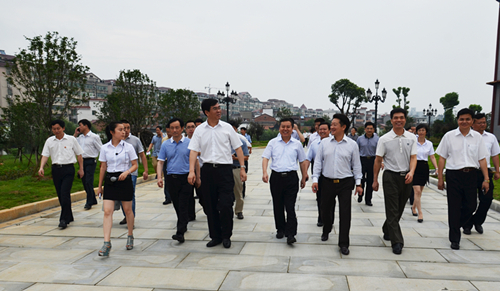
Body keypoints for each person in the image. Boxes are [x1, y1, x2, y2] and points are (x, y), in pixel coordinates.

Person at [188, 99, 247, 249]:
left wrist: (242, 167)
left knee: (226, 204)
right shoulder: (200, 130)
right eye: (215, 108)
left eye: (219, 108)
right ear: (207, 112)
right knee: (210, 205)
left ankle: (227, 235)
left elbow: (238, 149)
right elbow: (194, 151)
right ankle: (215, 236)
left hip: (225, 171)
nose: (219, 110)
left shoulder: (227, 128)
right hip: (208, 171)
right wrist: (191, 172)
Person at [436, 108, 490, 250]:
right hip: (454, 175)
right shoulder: (449, 136)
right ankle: (455, 239)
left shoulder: (477, 138)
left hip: (472, 175)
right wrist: (440, 177)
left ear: (472, 121)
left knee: (471, 205)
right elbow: (442, 157)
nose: (464, 122)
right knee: (454, 207)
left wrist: (486, 178)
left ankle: (457, 224)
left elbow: (482, 159)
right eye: (461, 119)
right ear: (457, 120)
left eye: (467, 119)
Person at [312, 114, 362, 255]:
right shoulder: (324, 143)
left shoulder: (352, 145)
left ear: (343, 127)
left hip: (345, 182)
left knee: (345, 213)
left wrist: (358, 184)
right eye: (331, 124)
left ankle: (344, 243)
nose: (331, 127)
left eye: (334, 125)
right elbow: (317, 163)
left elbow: (357, 166)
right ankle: (326, 229)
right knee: (325, 209)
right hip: (327, 181)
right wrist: (315, 179)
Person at [373, 108, 417, 255]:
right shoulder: (384, 139)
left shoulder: (411, 137)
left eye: (402, 117)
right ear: (391, 120)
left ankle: (387, 228)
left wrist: (411, 172)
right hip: (390, 176)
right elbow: (378, 160)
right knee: (392, 208)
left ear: (405, 119)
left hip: (406, 177)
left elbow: (413, 157)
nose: (399, 120)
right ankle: (397, 241)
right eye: (396, 118)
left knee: (398, 208)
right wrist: (375, 180)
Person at [262, 118, 308, 245]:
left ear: (292, 128)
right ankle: (280, 229)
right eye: (283, 126)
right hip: (276, 178)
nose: (285, 129)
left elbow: (302, 161)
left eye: (288, 127)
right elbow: (265, 158)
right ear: (279, 128)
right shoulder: (273, 142)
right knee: (278, 205)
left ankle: (291, 233)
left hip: (291, 178)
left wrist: (304, 176)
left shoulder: (297, 144)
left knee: (290, 206)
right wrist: (265, 172)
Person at [97, 121, 138, 256]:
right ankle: (106, 243)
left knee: (128, 210)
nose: (124, 132)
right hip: (110, 181)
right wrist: (100, 186)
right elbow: (103, 167)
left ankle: (130, 235)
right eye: (120, 129)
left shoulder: (128, 147)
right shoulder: (105, 148)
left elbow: (134, 165)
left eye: (124, 129)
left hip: (124, 180)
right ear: (112, 132)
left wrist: (127, 172)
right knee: (107, 211)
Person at [157, 118, 198, 243]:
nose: (174, 130)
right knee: (176, 204)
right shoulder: (165, 144)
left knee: (183, 203)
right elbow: (160, 161)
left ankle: (180, 232)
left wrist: (197, 176)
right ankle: (183, 224)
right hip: (171, 178)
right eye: (172, 128)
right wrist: (159, 177)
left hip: (186, 178)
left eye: (177, 128)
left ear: (182, 129)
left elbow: (195, 161)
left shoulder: (190, 143)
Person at [39, 120, 84, 229]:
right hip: (56, 170)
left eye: (58, 128)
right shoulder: (50, 141)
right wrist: (41, 167)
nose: (56, 131)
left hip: (68, 169)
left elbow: (79, 155)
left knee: (64, 193)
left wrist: (81, 169)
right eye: (54, 129)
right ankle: (69, 215)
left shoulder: (71, 139)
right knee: (60, 194)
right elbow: (45, 155)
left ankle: (63, 219)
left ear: (63, 128)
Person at [464, 113, 500, 234]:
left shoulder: (491, 138)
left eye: (484, 122)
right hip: (471, 172)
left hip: (486, 172)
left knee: (487, 199)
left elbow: (495, 155)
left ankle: (477, 221)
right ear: (473, 124)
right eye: (480, 123)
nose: (483, 125)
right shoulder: (467, 137)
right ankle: (467, 224)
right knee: (469, 201)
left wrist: (497, 171)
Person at [119, 120, 148, 225]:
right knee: (121, 196)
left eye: (128, 128)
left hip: (132, 173)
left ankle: (131, 217)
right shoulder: (116, 140)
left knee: (130, 195)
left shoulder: (135, 140)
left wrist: (145, 170)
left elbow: (142, 155)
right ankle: (126, 215)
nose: (126, 130)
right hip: (118, 172)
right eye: (123, 128)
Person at [304, 122, 331, 227]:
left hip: (331, 174)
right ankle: (321, 218)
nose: (322, 131)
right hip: (319, 175)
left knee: (330, 199)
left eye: (325, 129)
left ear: (329, 130)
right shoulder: (314, 144)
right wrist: (305, 172)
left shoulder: (334, 142)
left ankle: (329, 218)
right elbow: (308, 159)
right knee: (320, 197)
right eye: (320, 129)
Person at [411, 124, 438, 223]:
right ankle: (420, 212)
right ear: (417, 132)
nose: (421, 132)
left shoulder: (429, 144)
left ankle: (414, 207)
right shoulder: (413, 142)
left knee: (420, 191)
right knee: (417, 191)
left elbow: (432, 157)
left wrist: (436, 168)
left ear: (426, 132)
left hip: (424, 167)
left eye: (423, 130)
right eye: (419, 130)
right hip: (415, 166)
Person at [74, 119, 102, 210]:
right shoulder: (80, 138)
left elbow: (101, 149)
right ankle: (93, 199)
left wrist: (103, 162)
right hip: (82, 162)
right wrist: (76, 134)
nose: (79, 127)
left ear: (86, 126)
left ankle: (89, 202)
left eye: (80, 125)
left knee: (88, 181)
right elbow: (72, 143)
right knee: (84, 182)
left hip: (91, 161)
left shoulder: (94, 137)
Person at [356, 122, 379, 206]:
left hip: (372, 160)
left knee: (371, 180)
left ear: (373, 130)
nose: (369, 130)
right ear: (365, 129)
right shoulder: (360, 139)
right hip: (362, 160)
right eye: (368, 128)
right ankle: (360, 194)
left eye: (371, 128)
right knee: (361, 179)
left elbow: (379, 152)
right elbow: (356, 150)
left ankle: (368, 199)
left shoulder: (377, 139)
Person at [230, 121, 250, 219]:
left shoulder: (241, 141)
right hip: (224, 168)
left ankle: (239, 211)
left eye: (233, 129)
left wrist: (236, 158)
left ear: (236, 129)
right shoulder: (222, 141)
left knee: (238, 191)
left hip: (236, 168)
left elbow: (246, 157)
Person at [185, 120, 197, 219]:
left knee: (203, 194)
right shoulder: (184, 142)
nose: (191, 129)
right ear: (185, 129)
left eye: (192, 127)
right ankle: (190, 215)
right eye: (188, 127)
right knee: (189, 194)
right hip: (188, 170)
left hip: (200, 169)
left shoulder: (199, 140)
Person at [161, 127, 173, 205]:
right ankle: (167, 197)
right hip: (166, 162)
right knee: (167, 180)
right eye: (167, 132)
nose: (169, 134)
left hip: (174, 162)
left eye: (170, 132)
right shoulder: (164, 141)